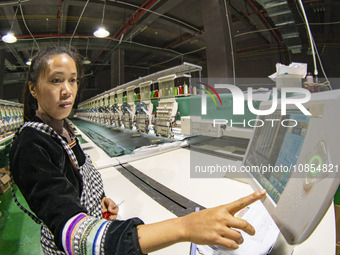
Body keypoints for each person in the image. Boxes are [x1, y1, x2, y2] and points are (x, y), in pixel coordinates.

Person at [9, 45, 266, 255]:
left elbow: (75, 179)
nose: (67, 91)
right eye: (56, 81)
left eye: (73, 80)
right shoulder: (31, 144)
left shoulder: (63, 130)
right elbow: (74, 235)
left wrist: (98, 201)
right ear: (33, 88)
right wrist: (185, 226)